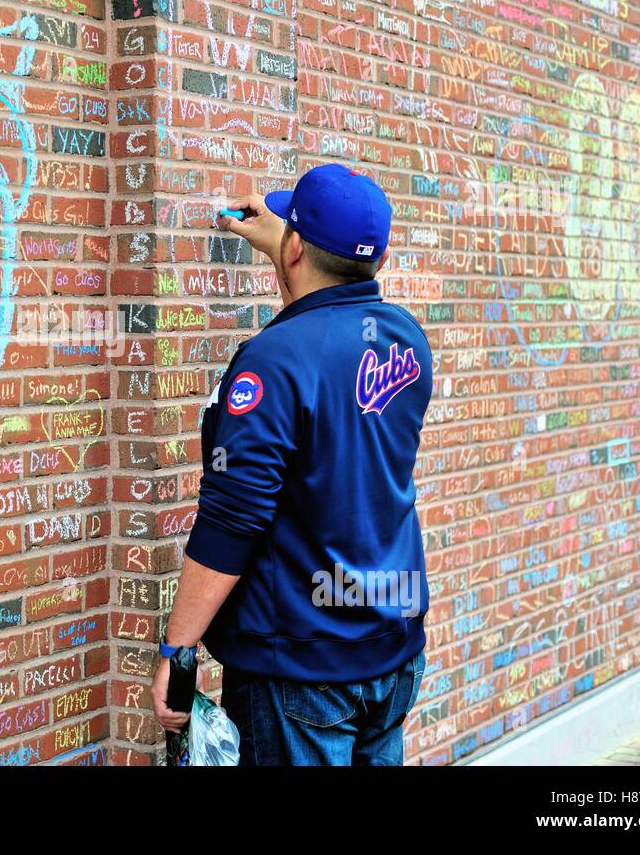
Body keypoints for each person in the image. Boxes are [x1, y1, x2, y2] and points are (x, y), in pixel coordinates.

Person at [151, 163, 434, 765]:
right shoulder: (406, 340)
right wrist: (287, 246)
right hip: (391, 648)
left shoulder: (272, 362)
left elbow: (233, 518)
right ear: (378, 261)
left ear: (298, 246)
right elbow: (333, 335)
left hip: (303, 670)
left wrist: (177, 650)